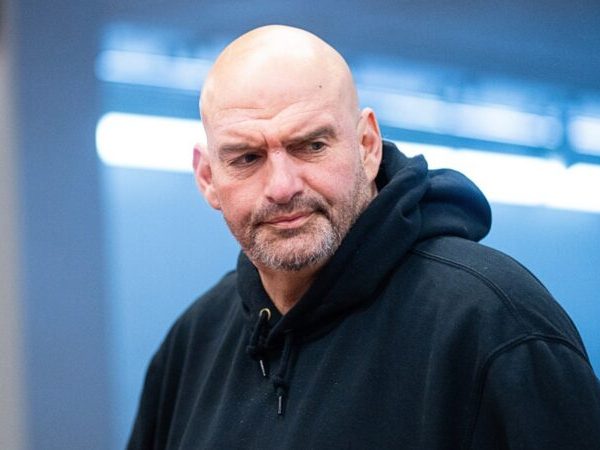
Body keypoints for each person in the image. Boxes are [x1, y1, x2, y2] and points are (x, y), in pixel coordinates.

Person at [128, 25, 600, 449]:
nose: (282, 187)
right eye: (247, 158)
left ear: (367, 147)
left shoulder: (494, 323)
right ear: (208, 177)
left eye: (311, 145)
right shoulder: (193, 343)